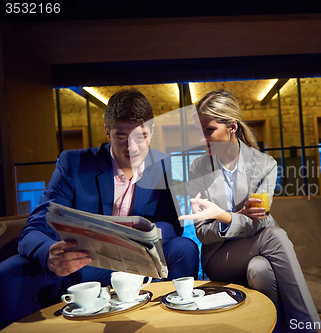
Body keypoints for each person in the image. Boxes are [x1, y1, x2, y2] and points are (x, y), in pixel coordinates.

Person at [0, 89, 199, 328]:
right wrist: (50, 254)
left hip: (135, 261)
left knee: (184, 249)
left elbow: (172, 223)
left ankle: (170, 325)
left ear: (152, 132)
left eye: (141, 136)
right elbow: (34, 228)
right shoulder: (74, 164)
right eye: (121, 137)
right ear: (107, 132)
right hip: (83, 263)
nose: (132, 147)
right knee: (8, 273)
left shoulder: (162, 166)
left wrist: (145, 236)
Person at [179, 90, 321, 333]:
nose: (203, 139)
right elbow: (203, 233)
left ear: (232, 126)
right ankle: (309, 328)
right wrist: (233, 217)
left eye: (209, 130)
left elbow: (258, 223)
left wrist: (223, 215)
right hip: (218, 257)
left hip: (257, 249)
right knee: (275, 235)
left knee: (260, 270)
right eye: (200, 131)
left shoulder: (265, 165)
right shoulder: (198, 168)